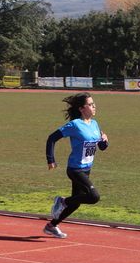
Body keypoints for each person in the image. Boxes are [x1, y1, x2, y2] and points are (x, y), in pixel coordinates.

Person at [44, 92, 109, 238]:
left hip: (87, 168)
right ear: (81, 108)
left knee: (77, 201)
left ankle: (51, 226)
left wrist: (105, 140)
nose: (94, 106)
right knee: (93, 197)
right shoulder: (74, 125)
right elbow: (52, 138)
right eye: (91, 104)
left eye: (94, 103)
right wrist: (51, 159)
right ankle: (62, 201)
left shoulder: (94, 124)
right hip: (75, 169)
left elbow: (101, 147)